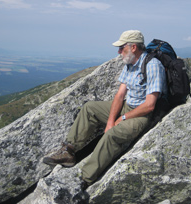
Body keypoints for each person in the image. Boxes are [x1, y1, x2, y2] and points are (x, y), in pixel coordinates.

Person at [43, 30, 168, 188]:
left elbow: (149, 105)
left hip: (141, 115)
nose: (119, 51)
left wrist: (122, 119)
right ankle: (68, 151)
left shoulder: (152, 66)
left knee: (113, 135)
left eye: (122, 48)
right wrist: (110, 121)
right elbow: (120, 95)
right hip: (127, 106)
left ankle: (85, 179)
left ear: (134, 47)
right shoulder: (130, 64)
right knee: (90, 109)